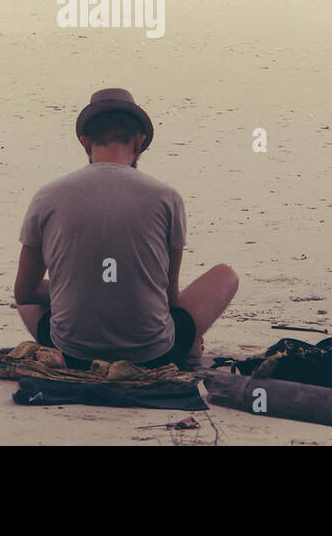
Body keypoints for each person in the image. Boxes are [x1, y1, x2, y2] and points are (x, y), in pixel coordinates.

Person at [14, 88, 238, 369]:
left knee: (30, 307)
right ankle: (187, 345)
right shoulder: (166, 197)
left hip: (72, 354)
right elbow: (168, 297)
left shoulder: (47, 195)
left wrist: (76, 287)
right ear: (139, 141)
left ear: (85, 143)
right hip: (154, 354)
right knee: (225, 275)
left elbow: (23, 294)